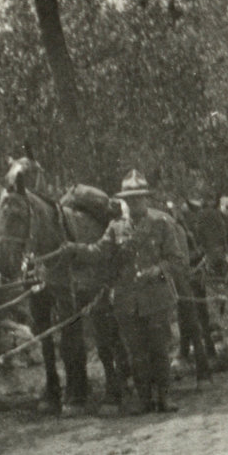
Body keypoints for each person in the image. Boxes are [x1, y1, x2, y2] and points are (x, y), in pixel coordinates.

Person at [61, 169, 188, 414]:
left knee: (160, 350)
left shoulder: (161, 224)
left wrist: (156, 272)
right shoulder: (116, 227)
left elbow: (176, 262)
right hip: (126, 301)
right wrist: (74, 249)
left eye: (139, 198)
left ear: (147, 199)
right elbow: (99, 251)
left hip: (156, 299)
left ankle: (164, 396)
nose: (134, 203)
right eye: (130, 199)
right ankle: (143, 398)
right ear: (125, 202)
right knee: (136, 352)